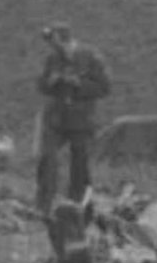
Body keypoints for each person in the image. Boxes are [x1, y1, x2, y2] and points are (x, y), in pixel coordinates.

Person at [34, 21, 112, 211]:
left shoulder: (91, 57)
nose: (52, 46)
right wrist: (50, 82)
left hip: (81, 120)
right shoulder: (52, 59)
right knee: (47, 159)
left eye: (54, 41)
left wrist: (78, 84)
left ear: (64, 40)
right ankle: (43, 205)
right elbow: (41, 85)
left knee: (79, 164)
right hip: (56, 120)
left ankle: (78, 206)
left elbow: (104, 87)